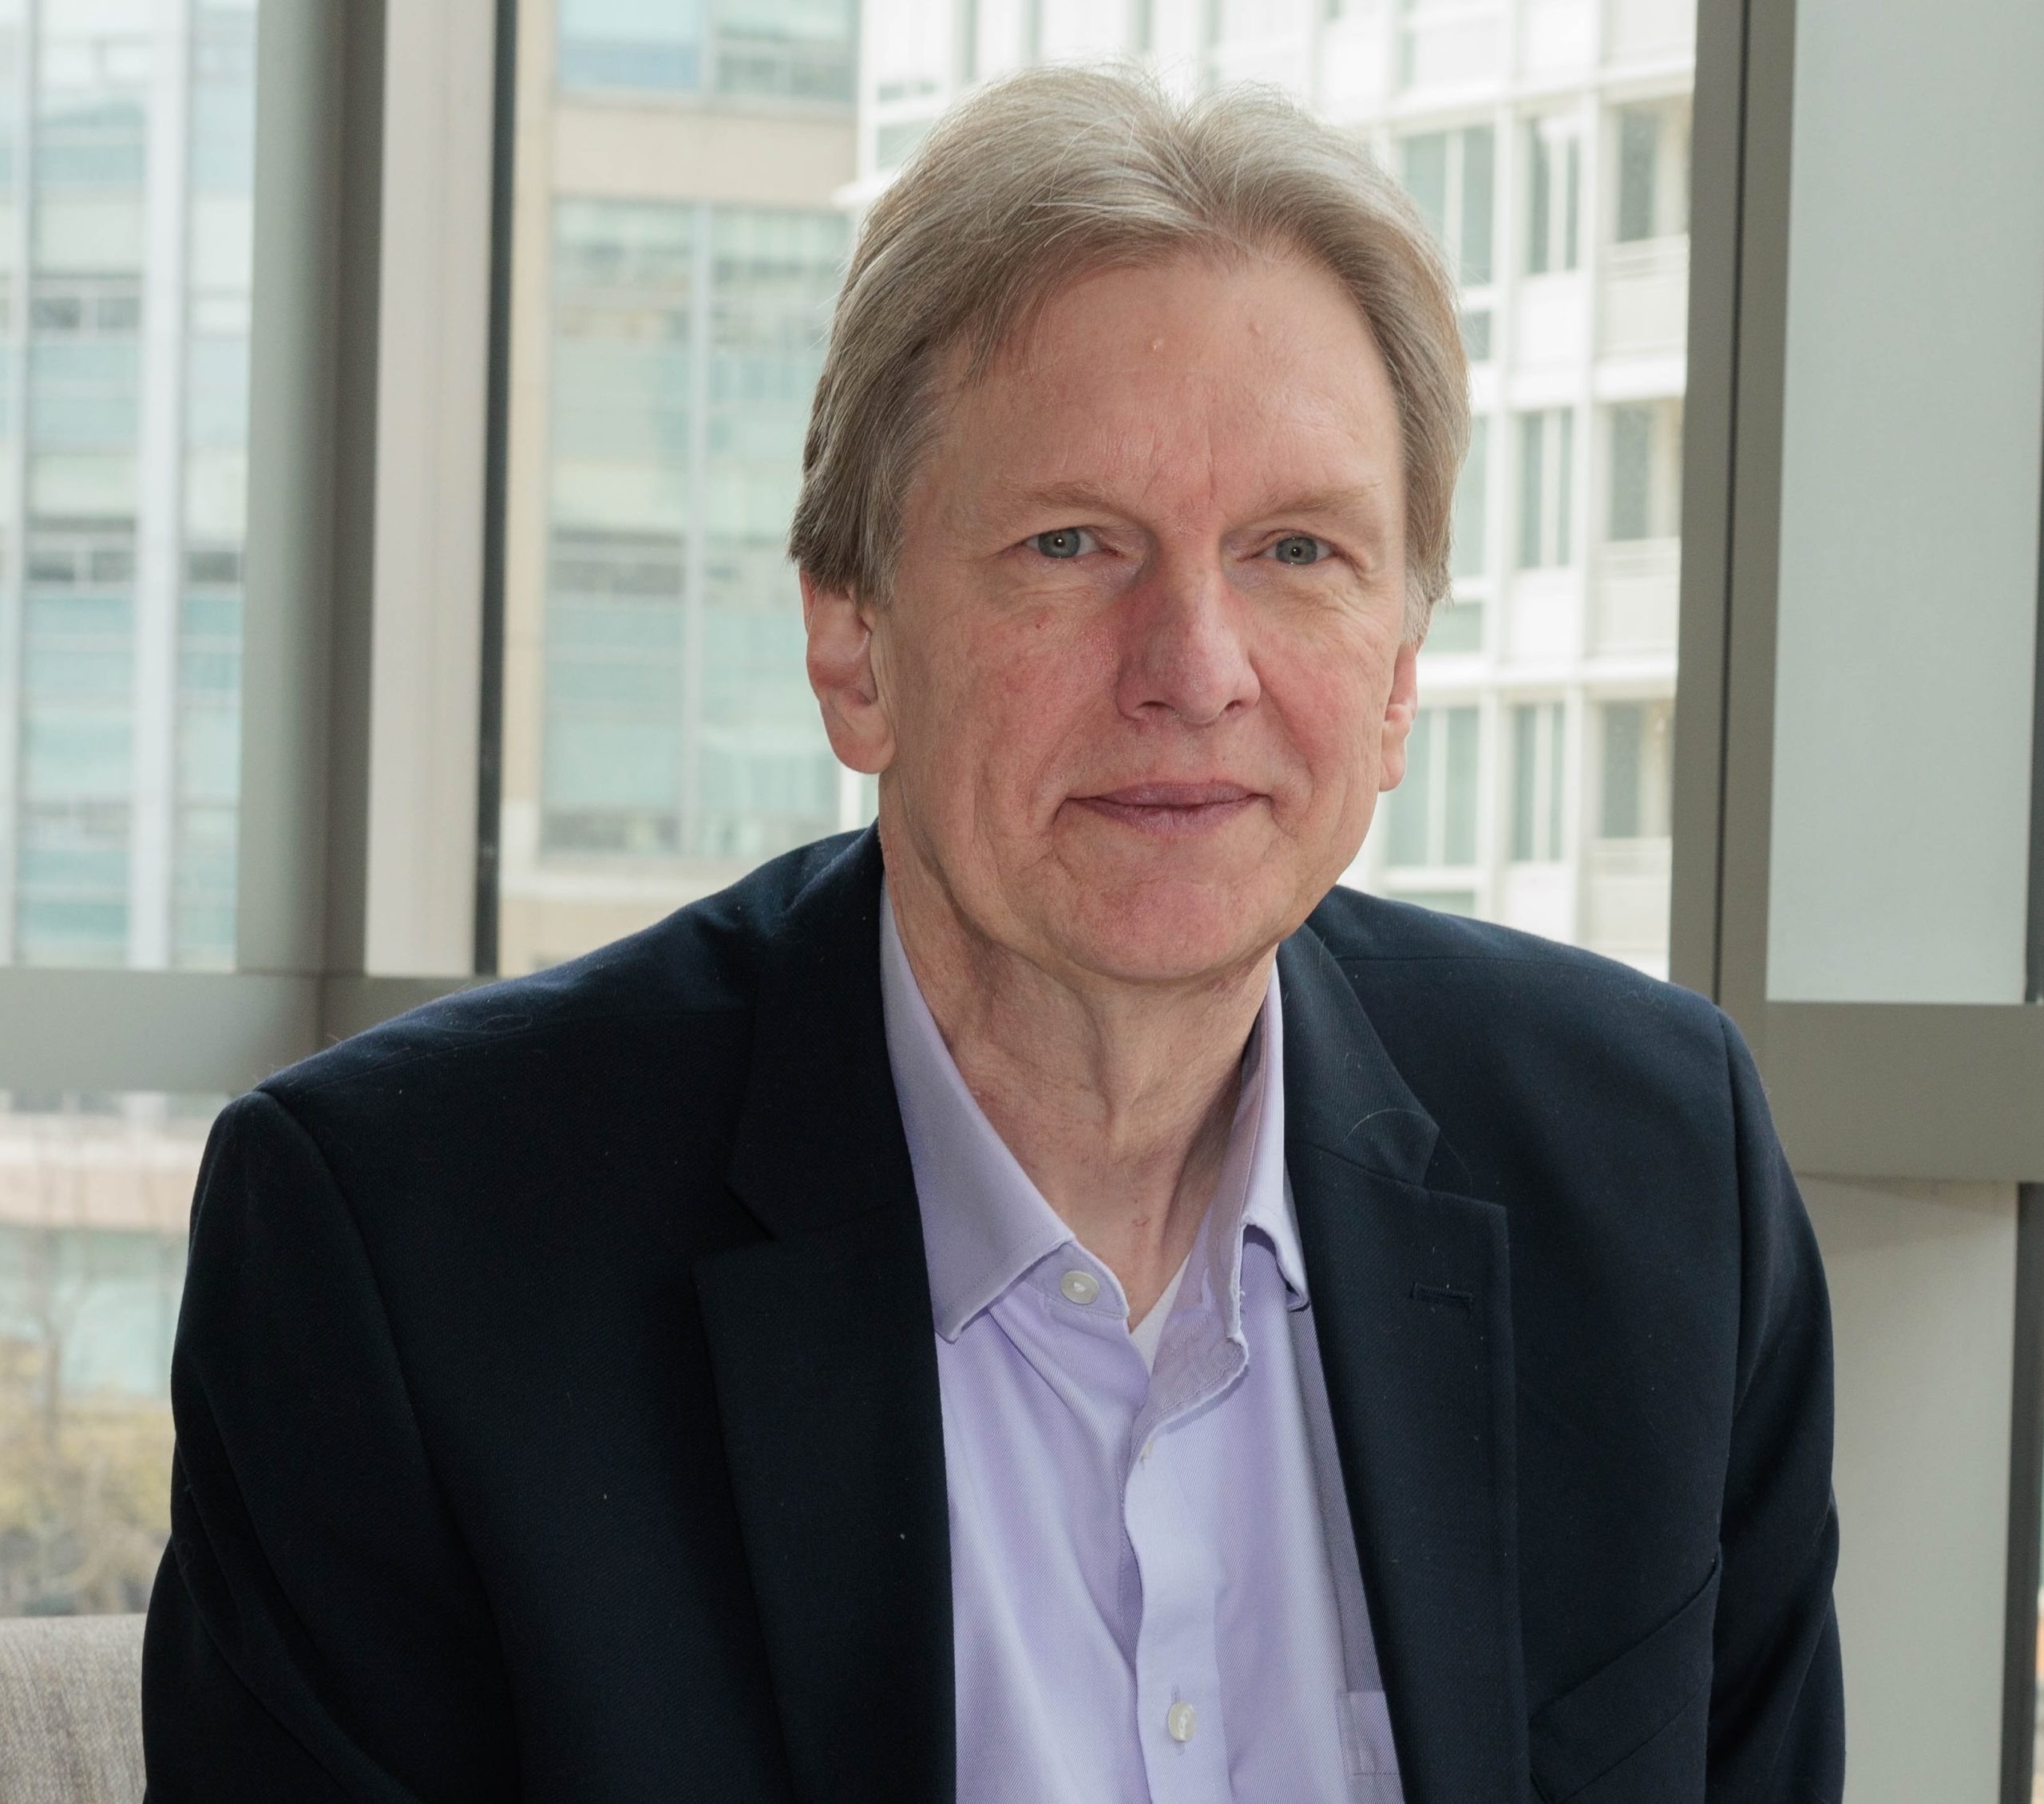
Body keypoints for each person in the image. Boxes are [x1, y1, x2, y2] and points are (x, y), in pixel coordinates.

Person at [141, 64, 1842, 1804]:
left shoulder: (1651, 1182)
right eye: (1069, 541)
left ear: (1399, 676)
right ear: (853, 644)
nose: (1193, 665)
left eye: (1294, 549)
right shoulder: (411, 1250)